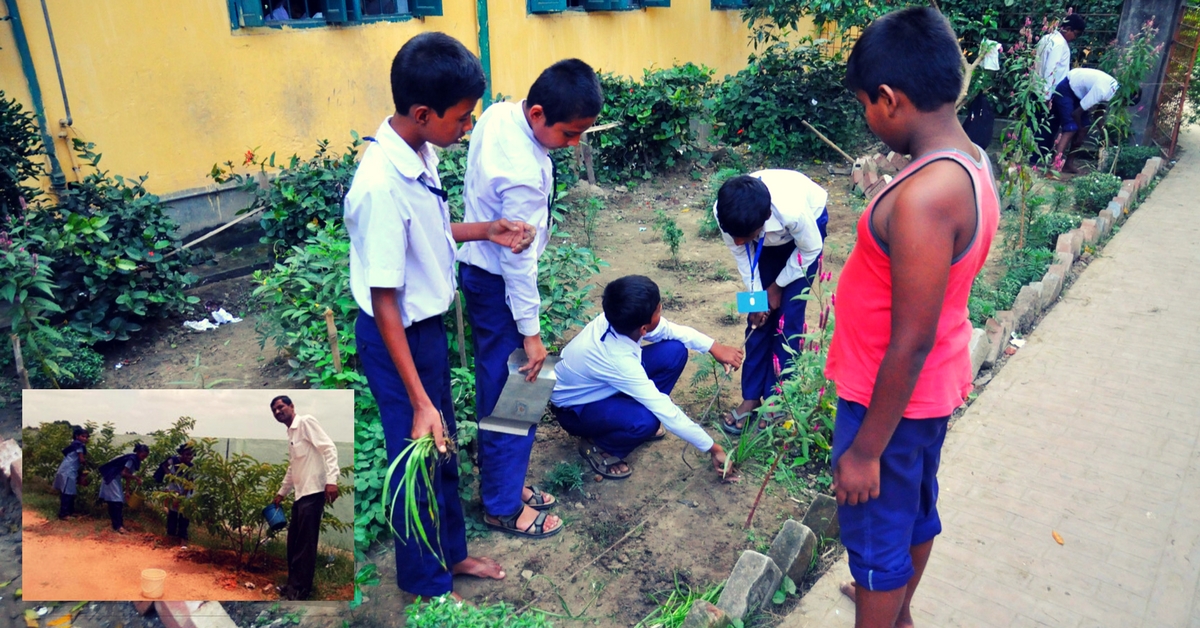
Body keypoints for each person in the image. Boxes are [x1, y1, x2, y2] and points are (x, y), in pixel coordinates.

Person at [345, 31, 535, 600]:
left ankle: (451, 555)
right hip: (395, 337)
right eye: (462, 118)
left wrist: (487, 231)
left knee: (442, 449)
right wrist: (421, 399)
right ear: (424, 113)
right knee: (416, 458)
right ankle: (428, 589)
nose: (468, 127)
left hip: (422, 332)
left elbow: (429, 236)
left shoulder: (419, 152)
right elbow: (384, 303)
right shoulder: (379, 186)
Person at [827, 7, 1000, 627]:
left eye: (867, 109)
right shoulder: (970, 162)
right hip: (924, 397)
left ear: (889, 98)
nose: (869, 122)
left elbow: (911, 337)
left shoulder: (928, 196)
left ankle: (884, 603)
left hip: (888, 403)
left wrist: (865, 450)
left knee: (876, 539)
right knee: (914, 514)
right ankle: (897, 610)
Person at [457, 59, 602, 540]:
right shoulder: (520, 174)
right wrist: (533, 336)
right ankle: (501, 506)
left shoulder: (500, 114)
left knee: (499, 390)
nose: (574, 143)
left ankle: (506, 483)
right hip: (499, 285)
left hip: (480, 275)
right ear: (537, 113)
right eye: (569, 133)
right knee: (517, 396)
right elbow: (519, 266)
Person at [550, 275, 743, 479]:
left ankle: (626, 415)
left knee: (674, 351)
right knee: (647, 420)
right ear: (643, 328)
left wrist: (714, 347)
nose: (661, 312)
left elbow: (670, 330)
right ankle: (601, 446)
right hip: (574, 411)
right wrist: (714, 448)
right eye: (659, 310)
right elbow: (667, 412)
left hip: (600, 387)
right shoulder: (617, 359)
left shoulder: (616, 318)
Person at [713, 171, 828, 435]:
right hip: (763, 237)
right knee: (756, 320)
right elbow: (742, 254)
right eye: (735, 235)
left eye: (744, 235)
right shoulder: (726, 212)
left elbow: (810, 249)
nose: (738, 241)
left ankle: (778, 398)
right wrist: (757, 298)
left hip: (805, 238)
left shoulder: (794, 212)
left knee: (788, 320)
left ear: (764, 220)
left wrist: (776, 287)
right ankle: (751, 397)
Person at [270, 396, 340, 600]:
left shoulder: (306, 422)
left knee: (305, 546)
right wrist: (281, 493)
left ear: (292, 406)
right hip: (300, 496)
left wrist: (332, 480)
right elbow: (293, 467)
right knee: (294, 543)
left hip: (313, 493)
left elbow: (329, 448)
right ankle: (292, 586)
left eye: (281, 407)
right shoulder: (290, 433)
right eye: (274, 410)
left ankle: (300, 591)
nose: (277, 412)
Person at [1050, 67, 1126, 173]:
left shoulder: (1113, 91)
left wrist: (1106, 138)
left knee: (1085, 127)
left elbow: (1098, 115)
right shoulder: (1102, 91)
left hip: (1079, 94)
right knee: (1071, 127)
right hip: (1067, 88)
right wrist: (1080, 131)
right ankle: (1054, 167)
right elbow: (1076, 113)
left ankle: (1068, 164)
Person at [1033, 14, 1086, 160]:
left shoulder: (1046, 38)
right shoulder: (1060, 45)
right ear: (1068, 29)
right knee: (1048, 128)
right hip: (1052, 93)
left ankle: (1032, 156)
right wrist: (1047, 96)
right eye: (1075, 34)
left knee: (1035, 124)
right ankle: (1038, 159)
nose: (1074, 38)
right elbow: (1052, 70)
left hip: (1036, 88)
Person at [98, 444, 150, 534]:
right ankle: (118, 526)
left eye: (145, 457)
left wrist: (127, 491)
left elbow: (127, 476)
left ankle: (117, 525)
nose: (144, 458)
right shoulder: (131, 459)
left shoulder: (134, 459)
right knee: (117, 502)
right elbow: (124, 473)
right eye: (143, 456)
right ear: (138, 453)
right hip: (112, 477)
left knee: (115, 501)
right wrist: (136, 478)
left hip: (114, 478)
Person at [155, 442, 196, 546]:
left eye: (191, 455)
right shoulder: (173, 461)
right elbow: (164, 465)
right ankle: (170, 537)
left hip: (184, 495)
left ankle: (183, 539)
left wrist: (180, 498)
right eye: (187, 454)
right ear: (181, 454)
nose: (189, 457)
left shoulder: (191, 468)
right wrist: (169, 475)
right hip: (172, 492)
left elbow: (189, 485)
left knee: (184, 516)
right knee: (172, 515)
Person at [52, 427, 89, 520]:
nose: (85, 438)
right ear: (77, 436)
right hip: (68, 471)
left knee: (70, 491)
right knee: (68, 493)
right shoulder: (79, 445)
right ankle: (63, 514)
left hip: (66, 469)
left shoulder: (74, 445)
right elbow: (81, 459)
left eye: (86, 437)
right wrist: (87, 464)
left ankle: (70, 512)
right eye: (83, 436)